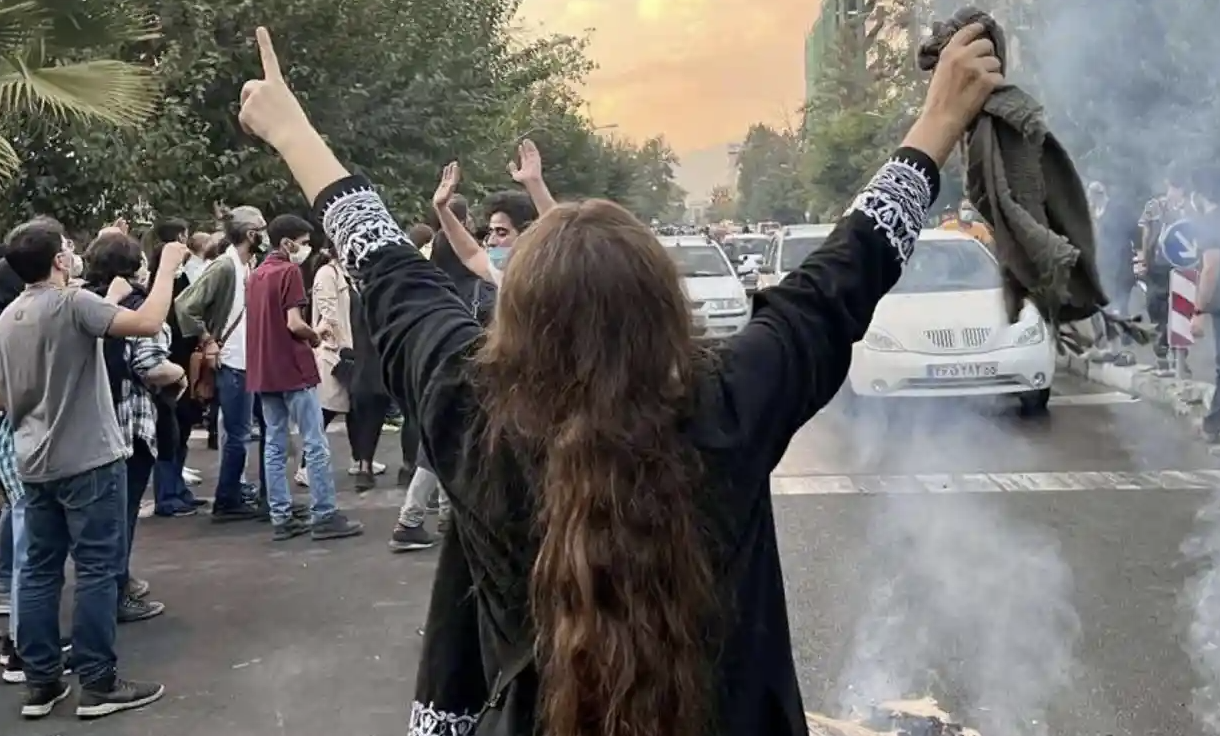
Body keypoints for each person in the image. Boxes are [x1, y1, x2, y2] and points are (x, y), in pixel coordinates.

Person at [236, 22, 999, 736]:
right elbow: (846, 272)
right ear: (663, 308)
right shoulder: (729, 407)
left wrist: (293, 131)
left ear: (517, 318)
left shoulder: (470, 411)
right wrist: (938, 121)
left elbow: (385, 266)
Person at [0, 217, 187, 719]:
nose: (74, 252)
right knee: (97, 570)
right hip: (89, 457)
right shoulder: (72, 304)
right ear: (59, 260)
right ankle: (98, 682)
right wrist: (168, 265)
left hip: (33, 459)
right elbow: (147, 323)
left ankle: (41, 682)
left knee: (38, 572)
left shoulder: (10, 316)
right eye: (67, 247)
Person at [246, 214, 364, 541]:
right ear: (287, 243)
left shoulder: (255, 276)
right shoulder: (289, 272)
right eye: (302, 241)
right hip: (294, 367)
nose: (305, 248)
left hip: (264, 369)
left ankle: (280, 515)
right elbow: (294, 324)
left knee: (274, 442)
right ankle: (324, 513)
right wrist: (316, 336)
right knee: (314, 442)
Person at [81, 232, 179, 623]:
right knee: (121, 514)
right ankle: (116, 593)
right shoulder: (136, 309)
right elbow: (151, 365)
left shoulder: (79, 302)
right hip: (127, 424)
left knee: (97, 519)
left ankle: (118, 580)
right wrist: (179, 377)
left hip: (85, 423)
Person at [176, 206, 266, 522]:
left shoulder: (242, 265)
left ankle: (233, 493)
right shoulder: (225, 267)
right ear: (251, 233)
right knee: (239, 434)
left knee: (242, 432)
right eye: (261, 228)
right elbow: (185, 305)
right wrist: (207, 339)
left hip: (244, 359)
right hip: (232, 360)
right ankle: (227, 499)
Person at [1139, 167, 1196, 374]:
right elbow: (1147, 234)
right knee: (1169, 308)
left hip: (1172, 264)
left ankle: (1172, 357)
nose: (1175, 191)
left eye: (1176, 187)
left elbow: (1146, 235)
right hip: (1170, 264)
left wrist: (1144, 259)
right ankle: (1171, 355)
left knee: (1170, 310)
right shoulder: (1166, 206)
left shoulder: (1179, 205)